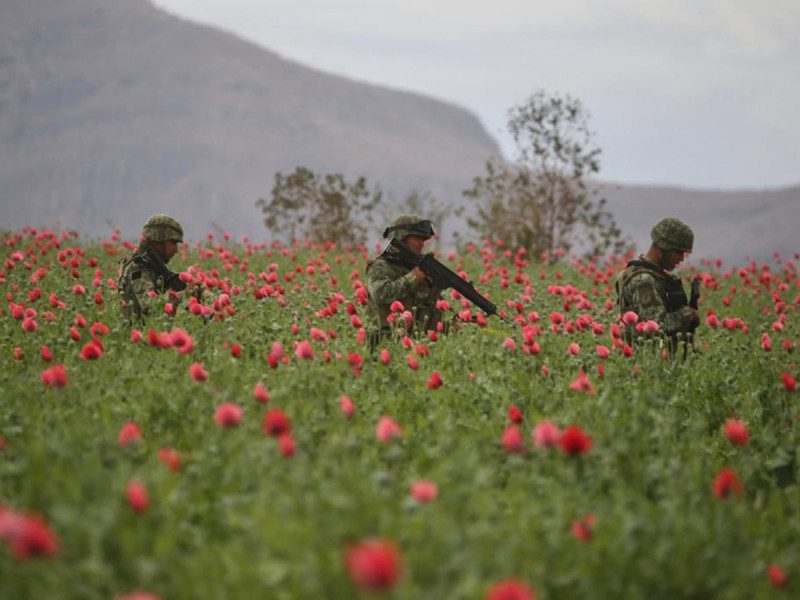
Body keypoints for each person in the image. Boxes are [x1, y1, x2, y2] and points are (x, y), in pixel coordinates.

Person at [615, 217, 700, 346]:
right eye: (678, 252)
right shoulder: (643, 280)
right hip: (646, 359)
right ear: (662, 248)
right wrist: (689, 314)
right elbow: (655, 326)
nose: (682, 258)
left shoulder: (656, 276)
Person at [366, 215, 444, 342]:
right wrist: (412, 278)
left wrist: (450, 324)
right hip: (385, 344)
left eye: (423, 240)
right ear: (401, 238)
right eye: (417, 238)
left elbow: (431, 313)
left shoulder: (418, 270)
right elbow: (380, 293)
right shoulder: (381, 266)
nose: (421, 244)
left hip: (416, 345)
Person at [119, 214, 190, 320]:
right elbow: (150, 306)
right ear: (159, 240)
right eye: (173, 242)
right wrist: (186, 295)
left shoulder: (155, 265)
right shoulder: (138, 266)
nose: (176, 250)